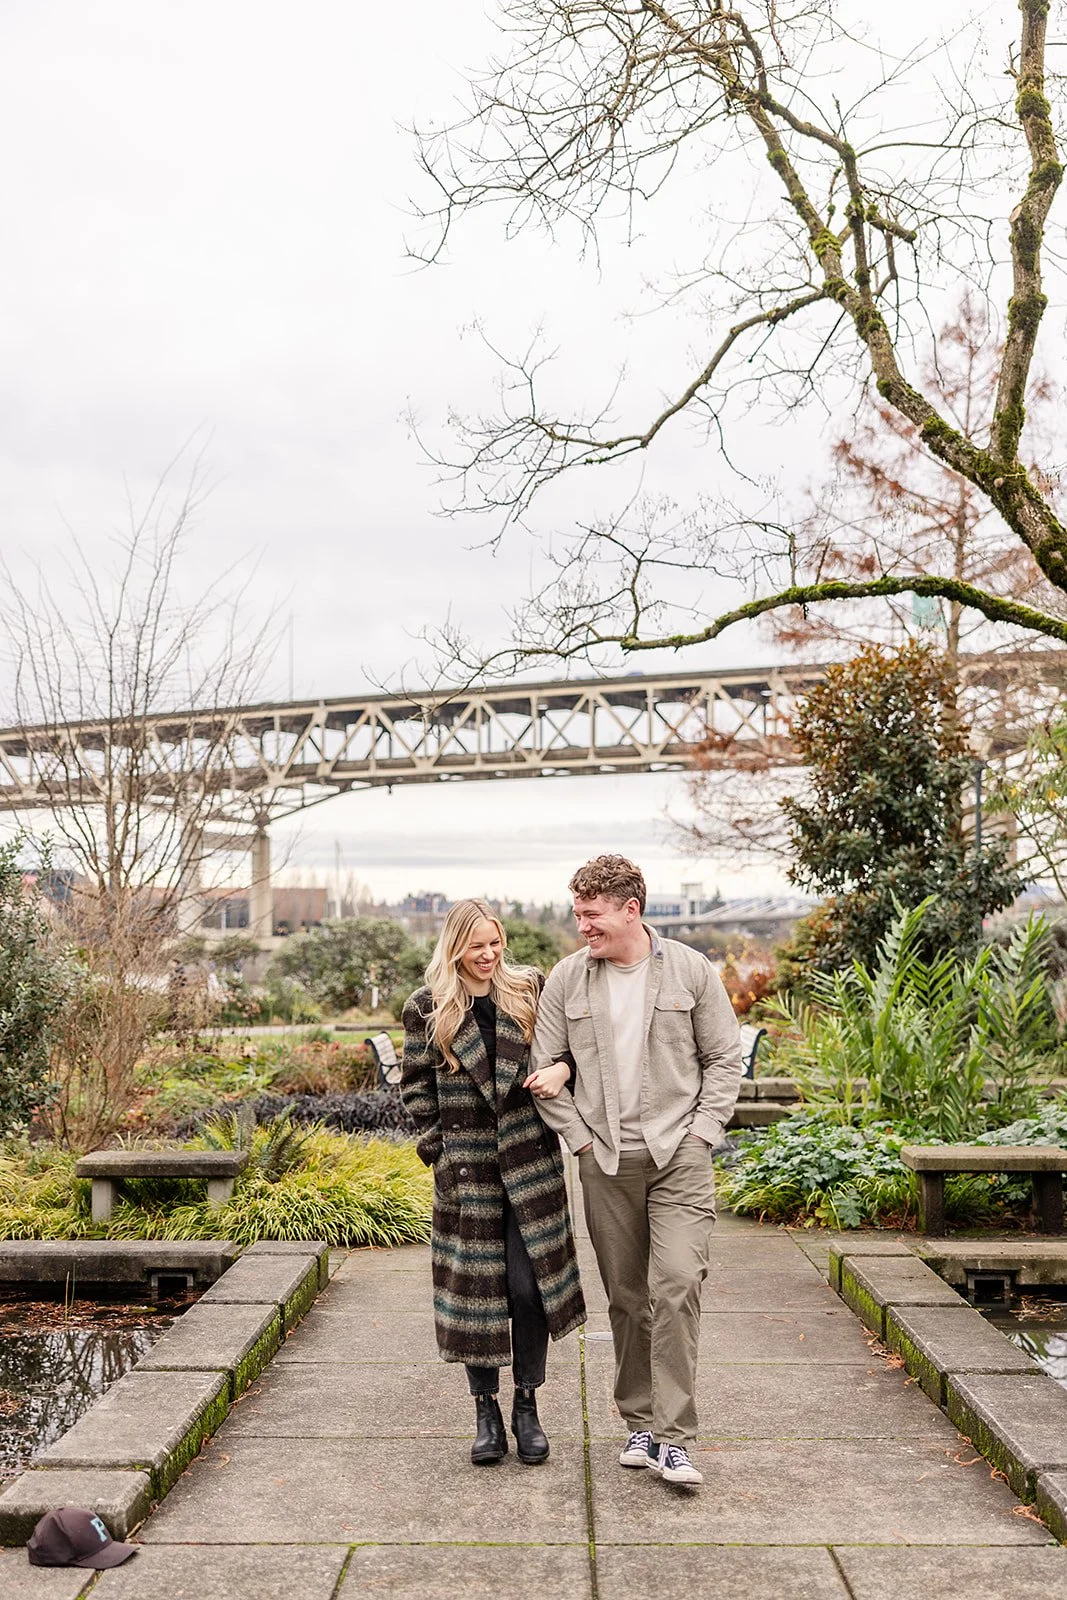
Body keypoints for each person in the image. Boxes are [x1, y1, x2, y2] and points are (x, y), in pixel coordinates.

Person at [525, 855, 742, 1487]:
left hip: (681, 1159)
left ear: (631, 909)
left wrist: (703, 1135)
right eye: (578, 913)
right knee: (626, 1298)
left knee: (676, 1285)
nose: (582, 925)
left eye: (591, 914)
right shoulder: (568, 979)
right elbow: (547, 1067)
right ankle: (639, 1425)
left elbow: (725, 1058)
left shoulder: (691, 971)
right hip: (605, 1162)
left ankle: (676, 1439)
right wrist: (582, 1143)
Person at [401, 898, 586, 1467]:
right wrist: (438, 1150)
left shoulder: (530, 988)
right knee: (478, 1297)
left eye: (495, 943)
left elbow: (570, 1054)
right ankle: (486, 1413)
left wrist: (561, 1073)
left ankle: (526, 1404)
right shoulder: (429, 1008)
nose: (488, 955)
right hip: (468, 1173)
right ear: (455, 946)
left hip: (530, 1165)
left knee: (531, 1291)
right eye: (476, 945)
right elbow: (414, 1086)